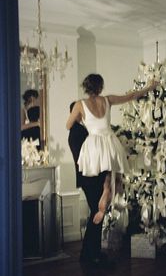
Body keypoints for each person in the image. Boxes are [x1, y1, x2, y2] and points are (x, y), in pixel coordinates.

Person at [66, 74, 158, 225]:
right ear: (100, 87)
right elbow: (132, 96)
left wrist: (82, 119)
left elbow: (68, 125)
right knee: (111, 174)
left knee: (98, 173)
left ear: (86, 88)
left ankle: (102, 200)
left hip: (94, 145)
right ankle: (107, 188)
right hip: (109, 141)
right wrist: (150, 87)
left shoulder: (79, 104)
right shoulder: (107, 100)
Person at [68, 101, 109, 265]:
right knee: (96, 213)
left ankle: (91, 253)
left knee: (97, 212)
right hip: (89, 178)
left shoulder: (80, 130)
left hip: (90, 177)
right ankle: (91, 255)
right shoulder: (77, 132)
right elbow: (85, 157)